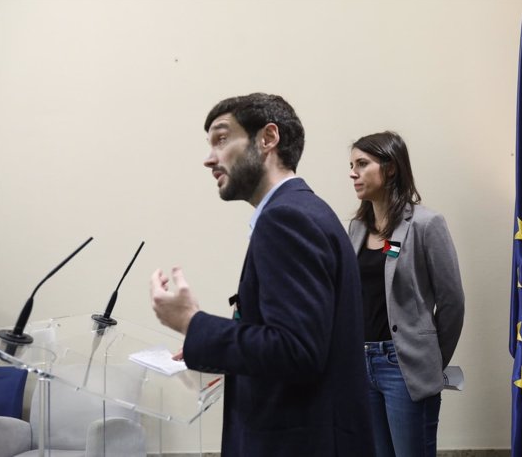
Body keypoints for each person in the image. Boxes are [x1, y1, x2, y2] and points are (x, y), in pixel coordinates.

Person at [150, 93, 375, 457]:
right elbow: (294, 337)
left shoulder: (287, 219)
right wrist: (214, 347)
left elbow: (296, 351)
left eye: (222, 139)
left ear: (268, 139)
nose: (209, 159)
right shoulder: (304, 210)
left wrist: (193, 324)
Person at [347, 131, 465, 457]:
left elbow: (453, 301)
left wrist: (430, 361)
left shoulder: (427, 223)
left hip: (405, 368)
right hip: (363, 363)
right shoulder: (355, 229)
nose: (352, 173)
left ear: (390, 168)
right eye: (351, 165)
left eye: (362, 164)